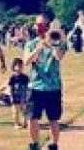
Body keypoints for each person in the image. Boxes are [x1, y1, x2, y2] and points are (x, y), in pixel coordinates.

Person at [24, 14, 67, 150]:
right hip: (35, 86)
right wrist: (39, 47)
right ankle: (34, 144)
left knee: (53, 119)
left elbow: (58, 57)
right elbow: (26, 61)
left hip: (52, 87)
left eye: (43, 25)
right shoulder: (31, 43)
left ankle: (54, 144)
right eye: (38, 25)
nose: (40, 28)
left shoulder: (59, 42)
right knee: (32, 118)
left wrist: (52, 43)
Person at [8, 57, 29, 129]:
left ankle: (25, 123)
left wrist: (26, 96)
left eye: (21, 65)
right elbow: (10, 87)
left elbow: (27, 87)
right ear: (14, 67)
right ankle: (16, 123)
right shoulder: (12, 77)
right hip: (15, 96)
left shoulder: (25, 77)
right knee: (15, 111)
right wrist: (11, 96)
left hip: (23, 96)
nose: (20, 67)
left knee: (24, 110)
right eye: (18, 65)